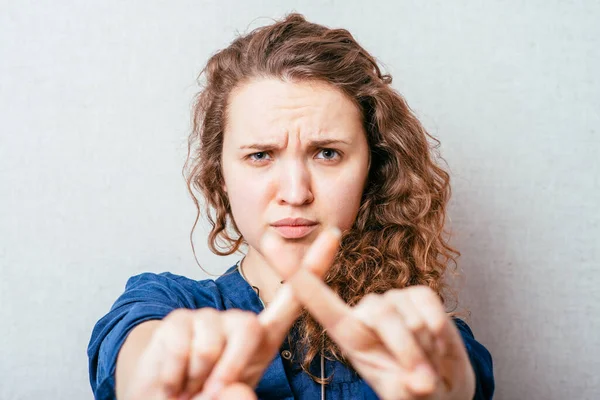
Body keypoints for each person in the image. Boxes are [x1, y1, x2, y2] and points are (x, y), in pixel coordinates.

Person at [88, 13, 494, 400]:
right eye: (261, 155)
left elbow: (459, 379)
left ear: (373, 168)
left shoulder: (426, 343)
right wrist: (159, 377)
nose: (296, 192)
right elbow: (135, 351)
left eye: (328, 154)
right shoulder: (166, 303)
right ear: (220, 174)